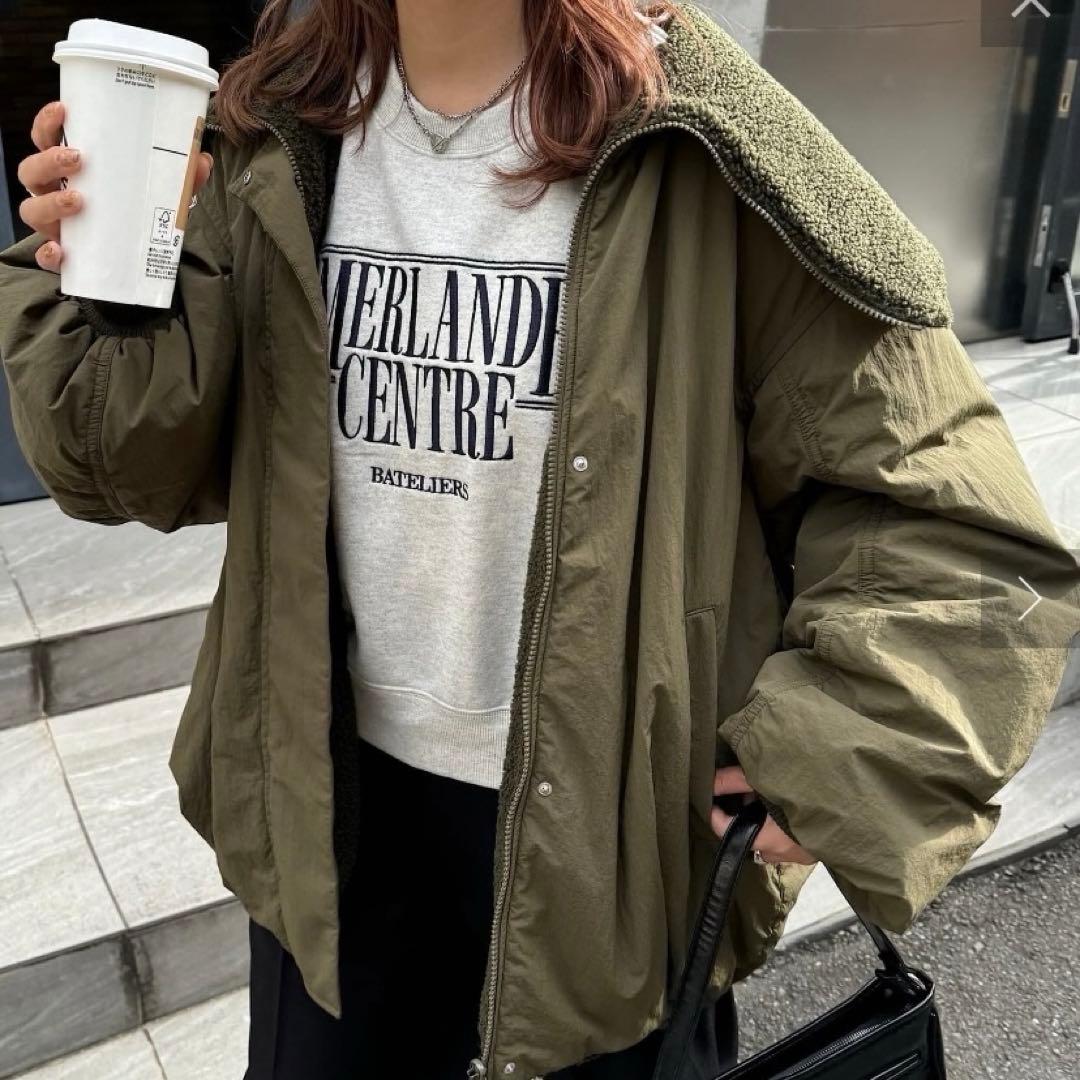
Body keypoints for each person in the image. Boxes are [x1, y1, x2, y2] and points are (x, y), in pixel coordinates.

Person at [2, 0, 1078, 1077]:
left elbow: (953, 523)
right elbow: (124, 461)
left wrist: (841, 748)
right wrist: (108, 276)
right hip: (322, 822)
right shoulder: (271, 130)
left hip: (613, 849)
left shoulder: (705, 138)